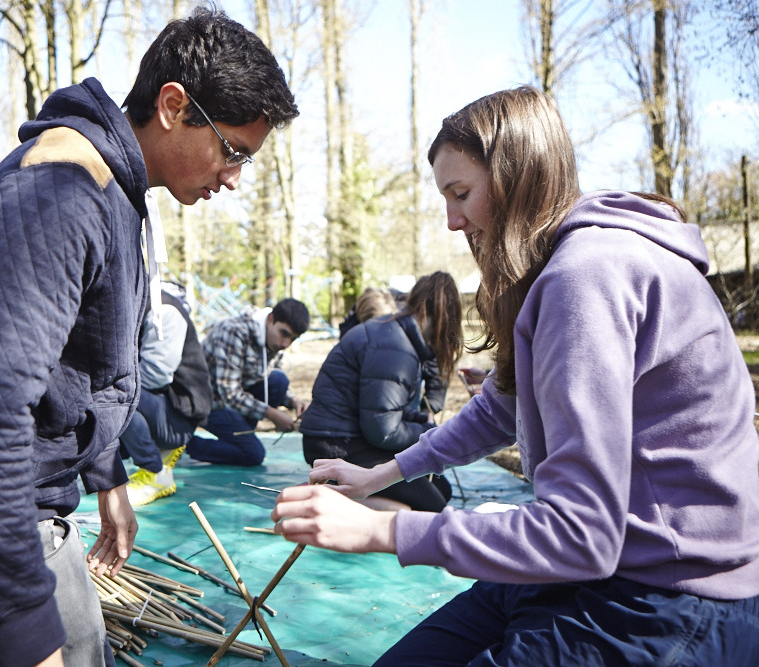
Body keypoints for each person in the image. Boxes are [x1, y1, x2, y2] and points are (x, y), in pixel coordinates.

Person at [271, 86, 759, 665]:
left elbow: (582, 536)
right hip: (593, 570)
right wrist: (378, 477)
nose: (453, 221)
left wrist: (380, 532)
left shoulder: (587, 276)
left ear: (517, 179)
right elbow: (501, 405)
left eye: (461, 194)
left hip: (666, 596)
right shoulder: (560, 267)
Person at [0, 8, 298, 667]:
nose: (235, 176)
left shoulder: (116, 191)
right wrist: (23, 628)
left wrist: (109, 478)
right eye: (233, 150)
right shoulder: (59, 197)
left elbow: (89, 363)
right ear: (173, 105)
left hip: (30, 499)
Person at [299, 272, 462, 512]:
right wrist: (428, 432)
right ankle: (324, 498)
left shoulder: (396, 334)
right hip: (335, 442)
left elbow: (382, 406)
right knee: (429, 510)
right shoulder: (395, 346)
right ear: (434, 315)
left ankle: (337, 494)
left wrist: (418, 420)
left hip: (352, 435)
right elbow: (383, 432)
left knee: (442, 491)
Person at [186, 297, 310, 466]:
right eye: (284, 334)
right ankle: (181, 443)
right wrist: (272, 414)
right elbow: (229, 394)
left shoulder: (272, 341)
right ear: (270, 320)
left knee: (279, 380)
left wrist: (294, 401)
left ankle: (241, 436)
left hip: (230, 400)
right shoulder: (234, 332)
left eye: (293, 339)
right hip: (205, 402)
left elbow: (267, 379)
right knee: (253, 454)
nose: (285, 344)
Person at [121, 284, 212, 506]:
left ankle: (155, 473)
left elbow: (155, 375)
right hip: (164, 405)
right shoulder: (135, 303)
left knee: (115, 394)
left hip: (178, 418)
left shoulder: (164, 311)